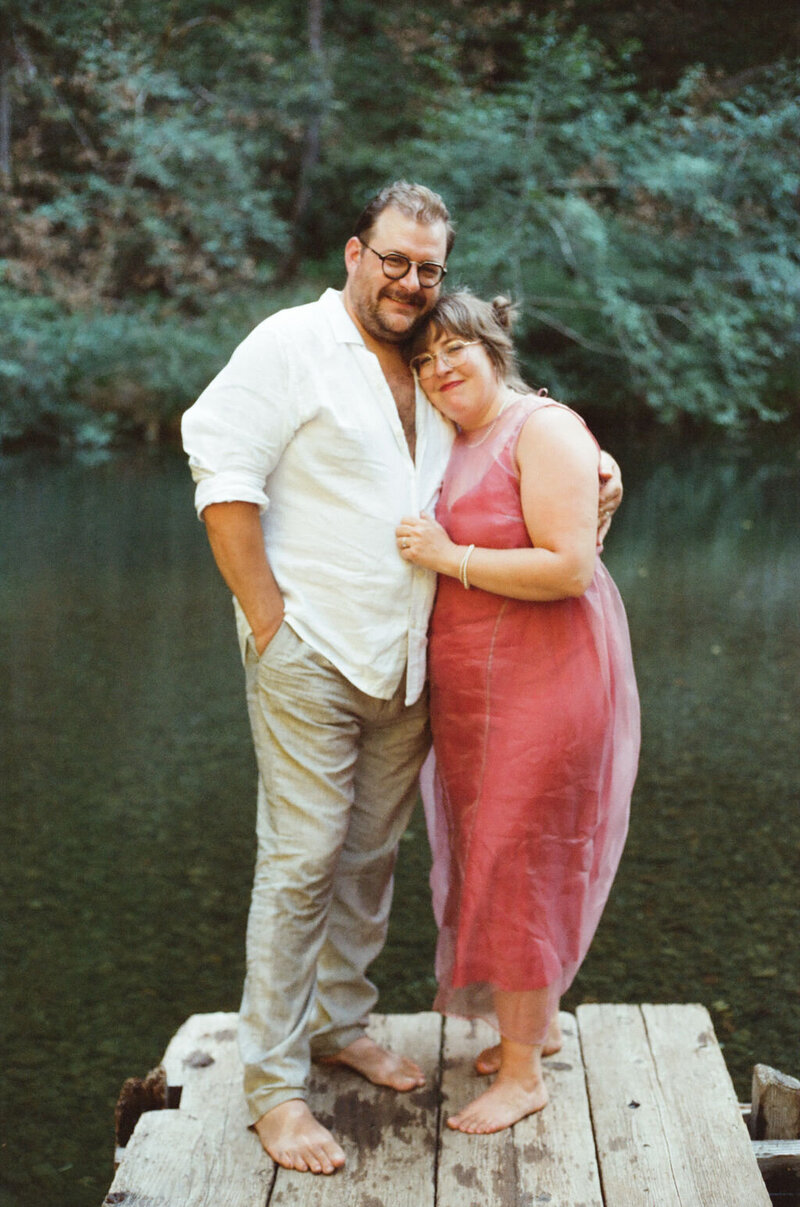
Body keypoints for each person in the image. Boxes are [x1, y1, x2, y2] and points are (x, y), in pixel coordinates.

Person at [181, 182, 623, 1175]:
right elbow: (221, 472)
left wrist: (602, 467)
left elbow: (515, 448)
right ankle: (274, 1088)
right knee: (300, 862)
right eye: (393, 260)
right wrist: (266, 621)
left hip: (409, 660)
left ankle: (339, 1019)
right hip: (310, 648)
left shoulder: (428, 365)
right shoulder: (289, 344)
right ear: (352, 252)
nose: (410, 282)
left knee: (371, 856)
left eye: (427, 267)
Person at [396, 292, 640, 1135]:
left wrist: (447, 555)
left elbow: (570, 567)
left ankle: (527, 1071)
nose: (441, 369)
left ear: (495, 346)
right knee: (488, 852)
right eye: (424, 360)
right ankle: (526, 1029)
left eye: (456, 347)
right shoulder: (455, 439)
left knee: (525, 852)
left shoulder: (543, 428)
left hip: (549, 677)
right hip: (476, 689)